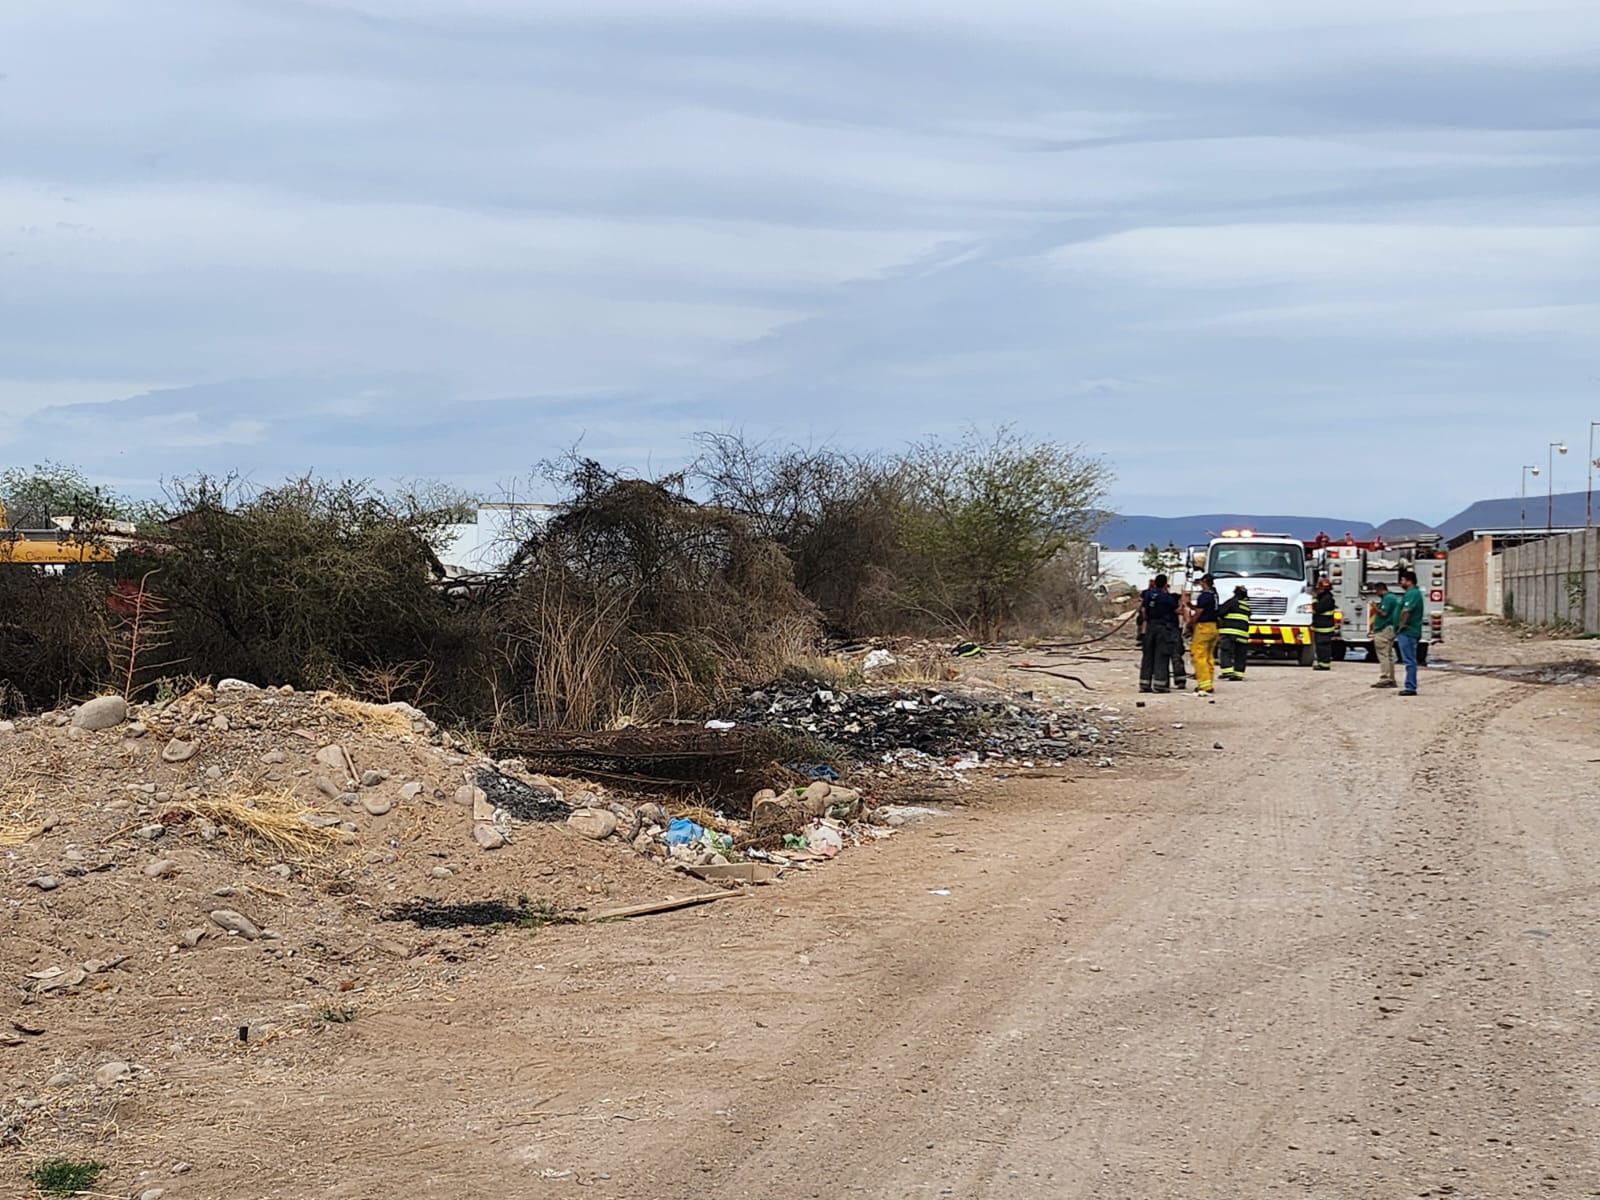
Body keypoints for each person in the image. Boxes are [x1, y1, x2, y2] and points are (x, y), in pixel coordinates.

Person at [1138, 574, 1182, 694]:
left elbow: (1143, 610)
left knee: (1147, 656)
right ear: (1165, 584)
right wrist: (1184, 602)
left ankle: (1144, 684)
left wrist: (1145, 626)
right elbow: (1178, 611)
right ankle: (1160, 685)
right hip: (1163, 628)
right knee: (1161, 655)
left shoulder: (1147, 594)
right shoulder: (1166, 597)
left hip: (1150, 627)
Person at [1187, 573, 1220, 694]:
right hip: (1213, 627)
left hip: (1204, 627)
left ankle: (1204, 685)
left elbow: (1199, 613)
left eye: (1201, 582)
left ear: (1204, 582)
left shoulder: (1204, 596)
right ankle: (1208, 682)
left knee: (1199, 655)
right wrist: (1190, 605)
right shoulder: (1214, 595)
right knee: (1209, 656)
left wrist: (1190, 623)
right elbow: (1203, 608)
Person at [1395, 568, 1424, 696]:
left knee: (1409, 660)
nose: (1401, 583)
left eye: (1402, 580)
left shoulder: (1412, 594)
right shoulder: (1411, 593)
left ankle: (1410, 686)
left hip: (1408, 632)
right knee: (1408, 659)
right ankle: (1410, 685)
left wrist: (1401, 626)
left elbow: (1406, 611)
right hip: (1408, 631)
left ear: (1409, 581)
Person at [1368, 581, 1399, 689]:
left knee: (1383, 655)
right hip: (1390, 629)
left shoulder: (1388, 598)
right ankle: (1391, 679)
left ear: (1380, 589)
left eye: (1376, 591)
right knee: (1388, 655)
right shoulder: (1392, 598)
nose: (1376, 594)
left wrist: (1374, 607)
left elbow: (1384, 613)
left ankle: (1385, 678)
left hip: (1384, 630)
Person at [1217, 584, 1251, 680]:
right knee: (1240, 654)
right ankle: (1239, 674)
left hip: (1230, 633)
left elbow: (1220, 612)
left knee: (1225, 651)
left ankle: (1227, 672)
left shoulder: (1232, 602)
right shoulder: (1246, 606)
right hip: (1243, 634)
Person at [1310, 576, 1337, 671]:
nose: (1318, 590)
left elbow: (1317, 609)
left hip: (1324, 627)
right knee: (1321, 647)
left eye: (1320, 589)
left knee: (1323, 647)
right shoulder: (1325, 597)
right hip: (1322, 627)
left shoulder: (1326, 599)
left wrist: (1313, 599)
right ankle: (1322, 663)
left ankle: (1324, 665)